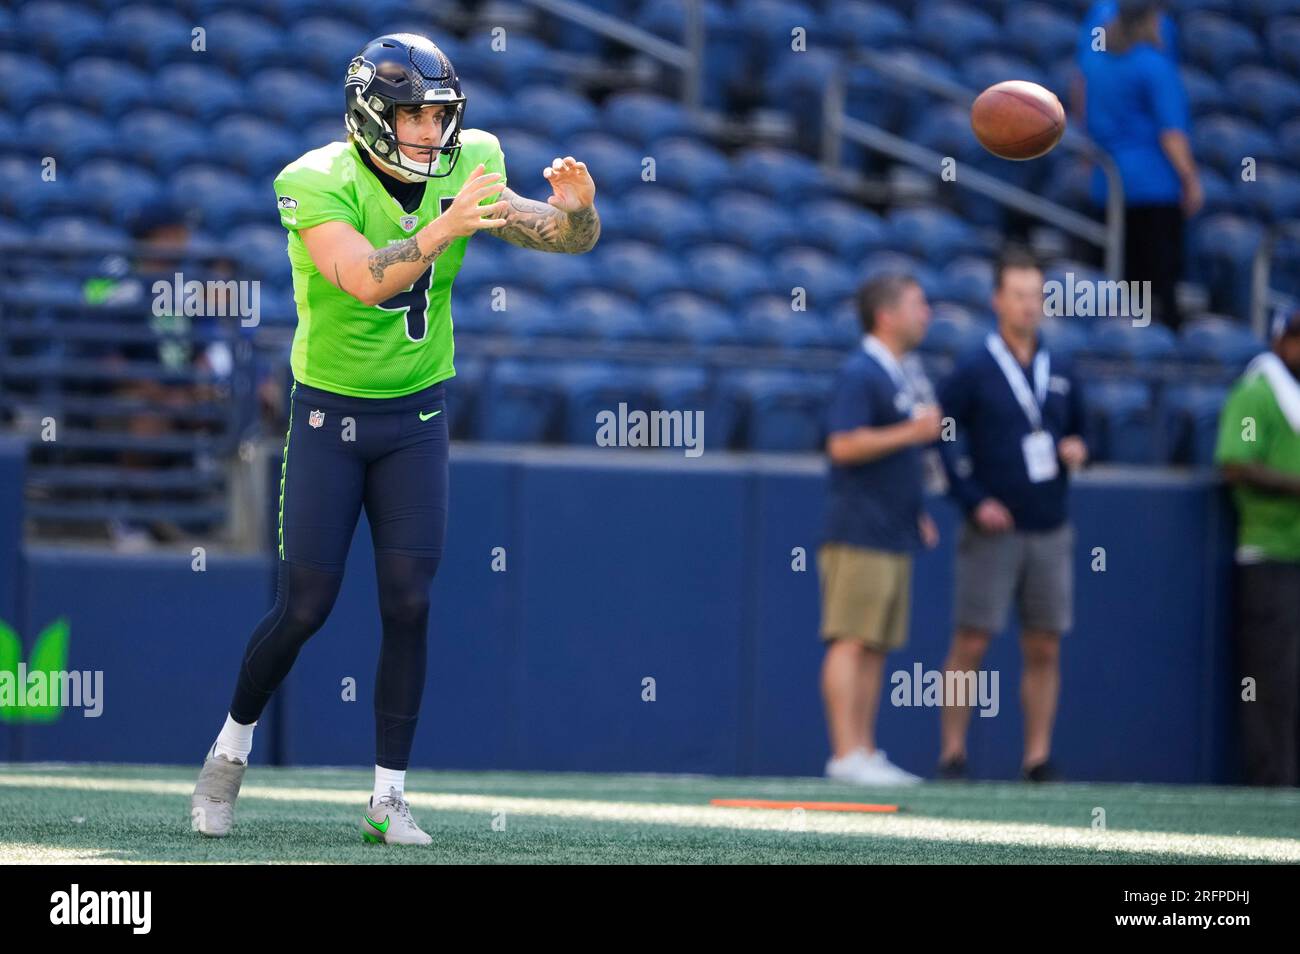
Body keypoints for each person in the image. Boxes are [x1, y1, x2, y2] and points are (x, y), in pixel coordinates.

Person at [190, 33, 600, 844]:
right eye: (413, 113)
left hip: (414, 415)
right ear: (372, 114)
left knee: (409, 601)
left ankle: (389, 796)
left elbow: (556, 236)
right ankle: (228, 754)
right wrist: (444, 229)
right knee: (305, 606)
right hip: (328, 417)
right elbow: (364, 276)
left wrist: (580, 213)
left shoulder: (469, 157)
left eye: (439, 112)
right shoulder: (314, 178)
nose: (428, 128)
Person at [936, 248, 1087, 782]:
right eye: (1019, 295)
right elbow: (945, 433)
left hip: (1049, 521)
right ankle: (953, 752)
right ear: (998, 300)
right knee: (972, 638)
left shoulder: (1061, 365)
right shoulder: (975, 368)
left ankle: (1037, 756)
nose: (1030, 305)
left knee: (1044, 641)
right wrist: (973, 498)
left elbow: (1080, 430)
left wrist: (1076, 449)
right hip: (993, 524)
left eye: (1037, 295)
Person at [819, 273, 941, 786]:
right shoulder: (862, 372)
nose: (927, 313)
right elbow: (843, 445)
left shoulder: (897, 372)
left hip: (892, 526)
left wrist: (915, 510)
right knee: (850, 639)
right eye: (917, 304)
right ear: (886, 315)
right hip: (859, 528)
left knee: (875, 643)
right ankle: (845, 752)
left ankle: (864, 750)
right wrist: (912, 431)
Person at [1214, 309, 1300, 787]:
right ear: (1282, 342)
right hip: (1271, 556)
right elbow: (1234, 463)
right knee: (1272, 684)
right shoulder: (1257, 391)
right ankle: (1273, 788)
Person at [1078, 0, 1201, 330]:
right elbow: (1171, 134)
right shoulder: (1154, 65)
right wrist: (1190, 180)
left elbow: (1081, 104)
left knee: (1119, 284)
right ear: (1150, 21)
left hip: (1108, 186)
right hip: (1153, 188)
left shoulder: (1095, 62)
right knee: (1159, 286)